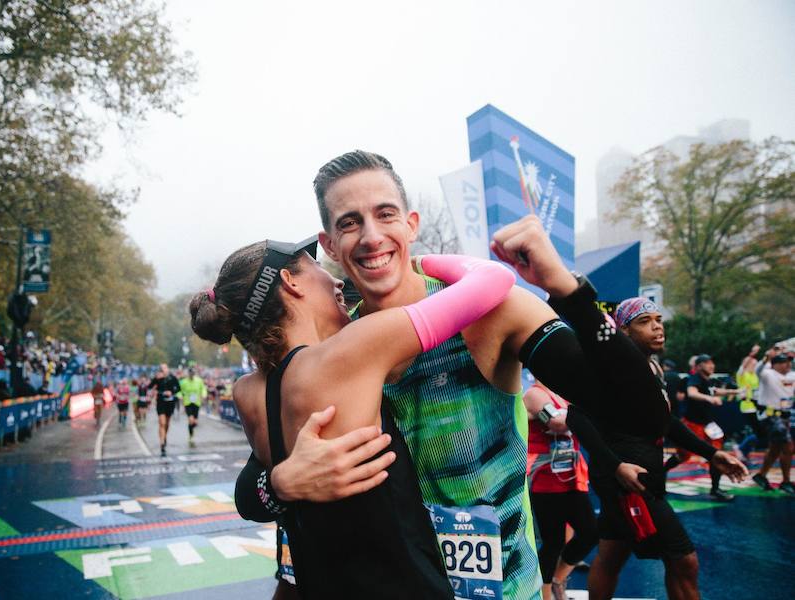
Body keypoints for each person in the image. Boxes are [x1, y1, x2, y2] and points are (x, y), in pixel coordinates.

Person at [234, 151, 647, 599]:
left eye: (385, 214)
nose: (372, 237)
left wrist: (569, 290)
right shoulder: (332, 352)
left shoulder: (491, 314)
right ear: (329, 244)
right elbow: (255, 482)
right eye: (350, 222)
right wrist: (280, 484)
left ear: (410, 224)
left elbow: (638, 413)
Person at [190, 235, 517, 598]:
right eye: (316, 267)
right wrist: (417, 264)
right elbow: (492, 281)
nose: (336, 281)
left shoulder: (248, 392)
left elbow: (251, 494)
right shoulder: (351, 351)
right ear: (289, 281)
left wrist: (276, 485)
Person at [490, 218, 747, 600]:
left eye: (659, 320)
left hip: (627, 477)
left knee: (610, 554)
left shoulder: (653, 372)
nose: (658, 328)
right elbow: (576, 415)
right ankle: (563, 285)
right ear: (625, 331)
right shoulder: (617, 371)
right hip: (630, 482)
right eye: (645, 322)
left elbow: (664, 421)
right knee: (684, 561)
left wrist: (713, 454)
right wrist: (615, 465)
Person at [524, 381, 597, 600]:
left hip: (571, 476)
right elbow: (557, 423)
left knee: (590, 532)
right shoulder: (535, 394)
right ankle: (545, 594)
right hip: (545, 477)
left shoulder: (564, 396)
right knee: (552, 541)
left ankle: (558, 579)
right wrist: (585, 411)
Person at [682, 354, 741, 501]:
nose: (712, 365)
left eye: (712, 362)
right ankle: (661, 475)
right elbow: (692, 393)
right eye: (708, 363)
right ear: (699, 366)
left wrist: (733, 392)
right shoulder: (695, 378)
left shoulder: (708, 381)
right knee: (682, 456)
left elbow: (714, 391)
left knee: (716, 454)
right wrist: (710, 399)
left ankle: (715, 489)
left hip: (707, 424)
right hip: (693, 424)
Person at [752, 353, 794, 494]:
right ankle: (786, 482)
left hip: (784, 416)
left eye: (789, 361)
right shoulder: (768, 374)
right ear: (774, 364)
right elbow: (758, 370)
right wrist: (766, 358)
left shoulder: (791, 376)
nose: (787, 364)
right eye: (783, 362)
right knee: (788, 448)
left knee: (775, 448)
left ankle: (761, 475)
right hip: (770, 416)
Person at [735, 345, 762, 459]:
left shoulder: (755, 375)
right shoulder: (742, 375)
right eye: (753, 364)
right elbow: (744, 365)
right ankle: (741, 448)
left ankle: (744, 450)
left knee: (758, 431)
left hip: (757, 405)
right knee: (758, 431)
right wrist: (752, 354)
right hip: (747, 405)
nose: (755, 366)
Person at [149, 364, 180, 457]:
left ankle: (164, 436)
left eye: (164, 368)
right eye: (161, 369)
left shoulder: (173, 378)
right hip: (161, 402)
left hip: (170, 403)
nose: (163, 370)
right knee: (162, 422)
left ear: (167, 369)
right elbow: (150, 386)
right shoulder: (158, 378)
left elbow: (178, 388)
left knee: (167, 423)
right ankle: (162, 442)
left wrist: (172, 392)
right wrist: (155, 378)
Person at [179, 368, 208, 447]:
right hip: (187, 402)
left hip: (196, 403)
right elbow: (179, 391)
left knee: (195, 422)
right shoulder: (184, 382)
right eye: (190, 373)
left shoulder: (199, 381)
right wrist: (180, 396)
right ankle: (191, 435)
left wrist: (204, 394)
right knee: (190, 419)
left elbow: (203, 389)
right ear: (188, 374)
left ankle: (191, 430)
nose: (192, 375)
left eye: (193, 373)